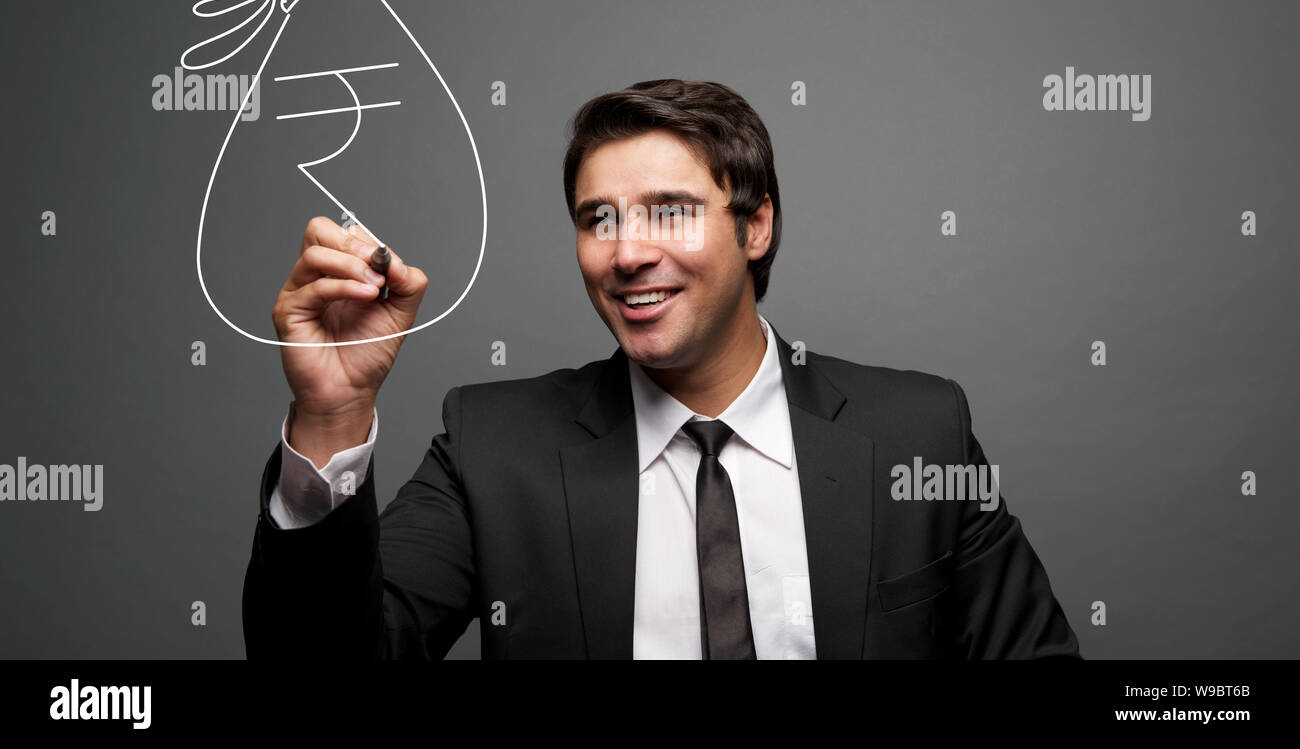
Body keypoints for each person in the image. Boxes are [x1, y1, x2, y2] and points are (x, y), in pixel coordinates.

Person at [242, 78, 1081, 659]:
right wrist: (331, 415)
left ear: (756, 228)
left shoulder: (917, 433)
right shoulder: (491, 447)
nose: (628, 252)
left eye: (669, 212)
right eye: (597, 218)